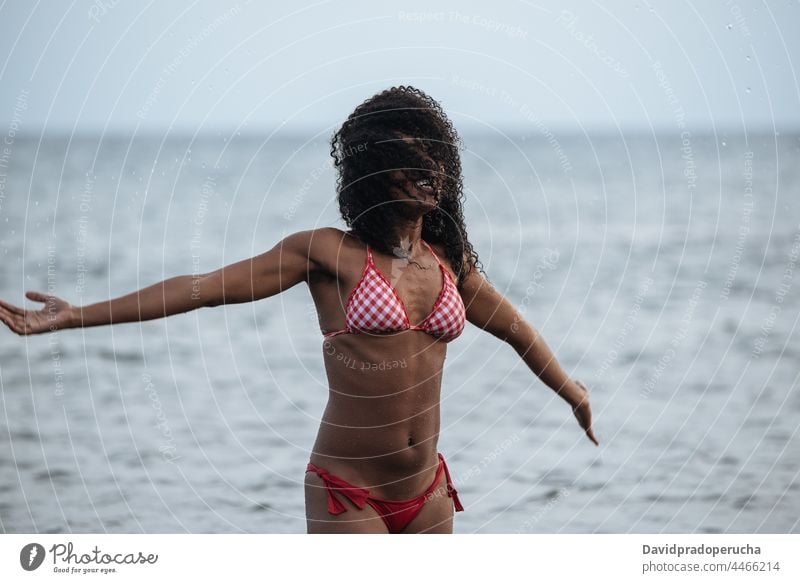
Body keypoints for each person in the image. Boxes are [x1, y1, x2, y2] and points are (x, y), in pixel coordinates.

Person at [0, 86, 598, 534]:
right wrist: (78, 315)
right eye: (412, 161)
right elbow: (200, 288)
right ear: (375, 170)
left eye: (436, 159)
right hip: (349, 492)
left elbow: (519, 332)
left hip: (429, 491)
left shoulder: (450, 264)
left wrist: (574, 393)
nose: (430, 174)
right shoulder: (326, 253)